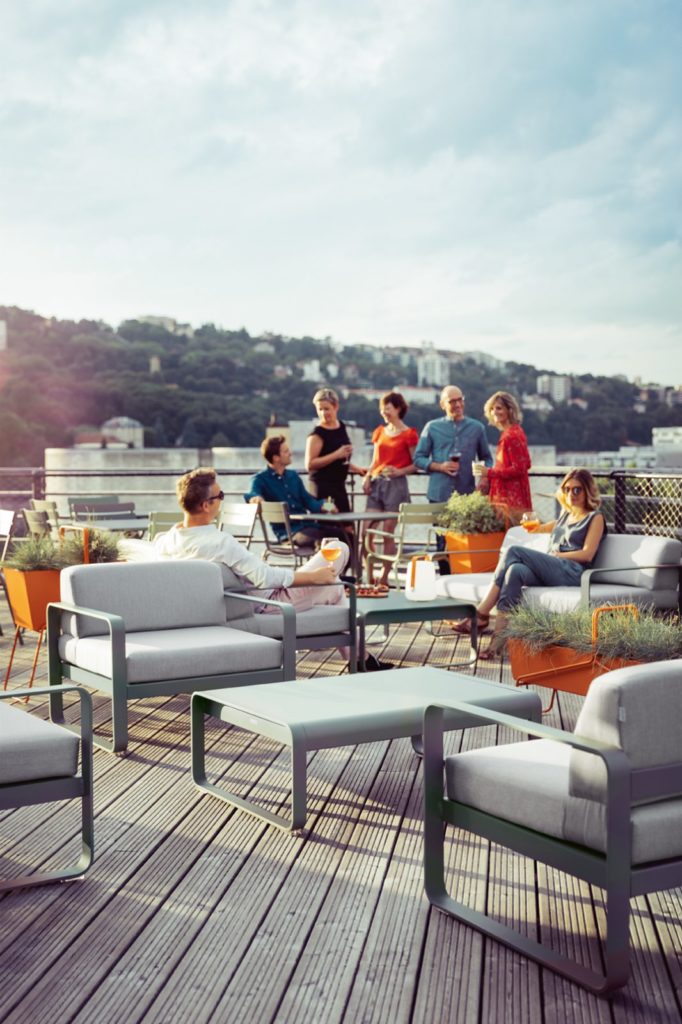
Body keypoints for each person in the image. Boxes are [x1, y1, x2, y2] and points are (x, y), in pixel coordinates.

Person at [157, 467, 392, 671]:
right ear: (206, 505)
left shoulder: (165, 541)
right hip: (272, 604)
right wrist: (315, 577)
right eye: (220, 495)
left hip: (230, 606)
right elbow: (264, 578)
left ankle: (360, 659)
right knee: (339, 548)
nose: (222, 500)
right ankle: (360, 659)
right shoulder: (220, 543)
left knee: (335, 589)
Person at [456, 468, 607, 660]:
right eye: (567, 489)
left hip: (575, 572)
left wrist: (558, 555)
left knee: (514, 551)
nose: (571, 494)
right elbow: (538, 528)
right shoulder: (565, 516)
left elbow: (587, 554)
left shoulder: (595, 518)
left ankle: (481, 613)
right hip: (556, 568)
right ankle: (497, 643)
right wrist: (530, 526)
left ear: (588, 491)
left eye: (577, 490)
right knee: (515, 571)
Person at [413, 384, 493, 573]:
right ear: (443, 404)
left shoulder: (477, 428)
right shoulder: (432, 427)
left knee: (464, 541)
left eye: (460, 400)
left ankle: (460, 583)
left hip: (466, 495)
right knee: (442, 543)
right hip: (439, 494)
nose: (457, 404)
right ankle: (443, 583)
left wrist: (484, 476)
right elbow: (418, 458)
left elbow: (487, 458)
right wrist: (439, 466)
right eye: (452, 401)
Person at [246, 435, 349, 549]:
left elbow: (309, 502)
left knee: (347, 537)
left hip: (309, 526)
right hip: (289, 534)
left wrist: (329, 506)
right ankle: (321, 567)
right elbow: (252, 493)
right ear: (276, 457)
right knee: (324, 543)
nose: (290, 453)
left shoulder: (293, 476)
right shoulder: (260, 479)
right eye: (286, 451)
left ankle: (336, 567)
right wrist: (255, 498)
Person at [362, 391, 418, 583]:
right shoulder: (379, 432)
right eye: (382, 408)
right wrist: (368, 476)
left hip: (396, 486)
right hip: (377, 483)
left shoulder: (409, 434)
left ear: (398, 408)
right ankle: (369, 577)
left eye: (388, 407)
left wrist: (400, 471)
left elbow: (416, 463)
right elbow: (375, 460)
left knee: (387, 533)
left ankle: (384, 579)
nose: (384, 411)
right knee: (366, 532)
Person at [305, 387, 366, 513]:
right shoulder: (317, 434)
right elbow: (309, 465)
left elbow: (340, 459)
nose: (323, 413)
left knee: (348, 529)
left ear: (336, 406)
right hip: (322, 491)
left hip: (339, 488)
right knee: (329, 524)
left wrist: (355, 469)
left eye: (326, 409)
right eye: (319, 409)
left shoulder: (341, 426)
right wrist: (336, 454)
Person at [476, 390, 532, 521]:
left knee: (509, 536)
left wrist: (489, 473)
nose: (494, 412)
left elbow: (519, 468)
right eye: (492, 409)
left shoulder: (511, 436)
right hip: (513, 496)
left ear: (510, 410)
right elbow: (527, 463)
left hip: (510, 499)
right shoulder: (516, 431)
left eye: (499, 408)